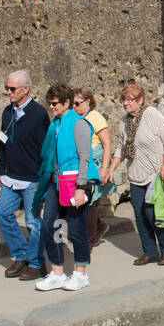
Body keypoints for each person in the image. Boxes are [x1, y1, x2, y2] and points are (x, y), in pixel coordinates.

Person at [104, 84, 164, 265]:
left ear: (140, 100)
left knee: (153, 213)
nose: (125, 103)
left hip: (155, 173)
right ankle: (150, 251)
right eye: (124, 100)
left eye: (130, 100)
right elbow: (121, 148)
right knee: (140, 215)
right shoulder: (124, 122)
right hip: (136, 175)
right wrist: (111, 168)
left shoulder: (151, 114)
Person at [34, 84, 97, 291]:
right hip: (55, 182)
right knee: (49, 226)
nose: (51, 107)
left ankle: (81, 273)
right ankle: (57, 272)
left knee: (77, 229)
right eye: (49, 104)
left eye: (54, 104)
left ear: (66, 103)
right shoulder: (55, 125)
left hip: (74, 183)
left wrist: (81, 187)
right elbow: (49, 156)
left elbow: (85, 157)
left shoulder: (79, 124)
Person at [0, 70, 50, 281]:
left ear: (25, 89)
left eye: (12, 89)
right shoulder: (7, 112)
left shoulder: (38, 114)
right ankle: (21, 255)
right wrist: (1, 171)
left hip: (32, 179)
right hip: (10, 177)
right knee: (3, 215)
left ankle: (37, 263)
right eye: (7, 88)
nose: (9, 92)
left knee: (32, 222)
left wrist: (42, 179)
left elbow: (46, 149)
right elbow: (2, 144)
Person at [72, 89, 112, 247]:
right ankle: (99, 227)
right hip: (82, 164)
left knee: (90, 202)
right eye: (73, 103)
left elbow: (107, 143)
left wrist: (104, 168)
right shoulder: (76, 118)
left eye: (77, 103)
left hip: (94, 165)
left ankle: (89, 240)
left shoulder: (95, 117)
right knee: (85, 202)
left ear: (88, 102)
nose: (74, 106)